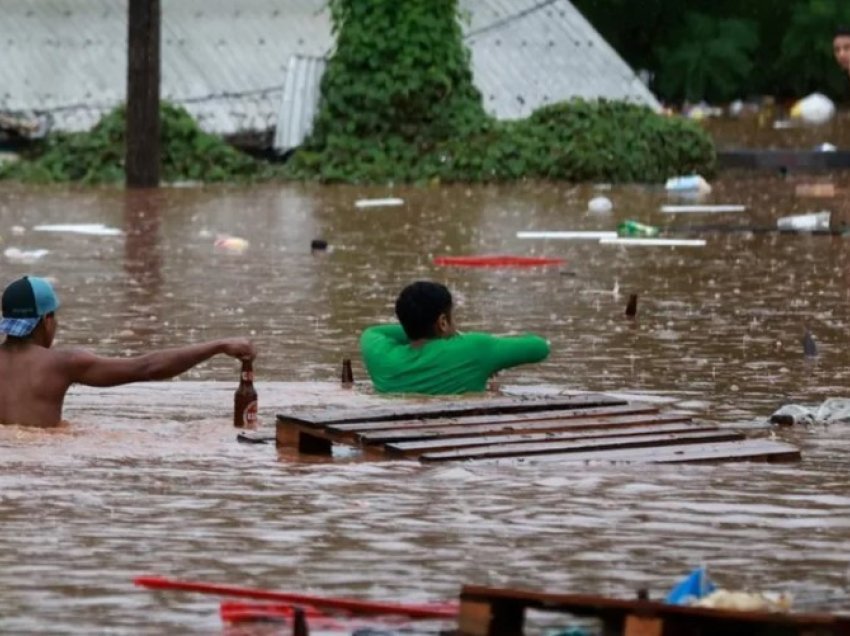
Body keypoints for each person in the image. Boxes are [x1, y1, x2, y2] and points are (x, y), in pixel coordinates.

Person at [0, 275, 256, 427]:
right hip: (42, 457)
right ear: (47, 321)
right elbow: (147, 367)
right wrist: (218, 346)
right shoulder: (62, 364)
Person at [360, 280, 550, 394]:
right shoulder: (474, 349)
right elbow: (540, 347)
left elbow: (375, 331)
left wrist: (414, 326)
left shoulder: (380, 355)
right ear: (443, 322)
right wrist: (458, 336)